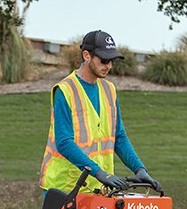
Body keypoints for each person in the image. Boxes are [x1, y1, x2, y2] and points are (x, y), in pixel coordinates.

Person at [40, 29, 160, 193]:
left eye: (112, 61)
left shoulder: (109, 90)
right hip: (64, 188)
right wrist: (99, 173)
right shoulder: (65, 90)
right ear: (86, 56)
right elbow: (64, 143)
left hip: (98, 188)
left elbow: (119, 137)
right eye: (104, 60)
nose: (109, 66)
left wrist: (139, 169)